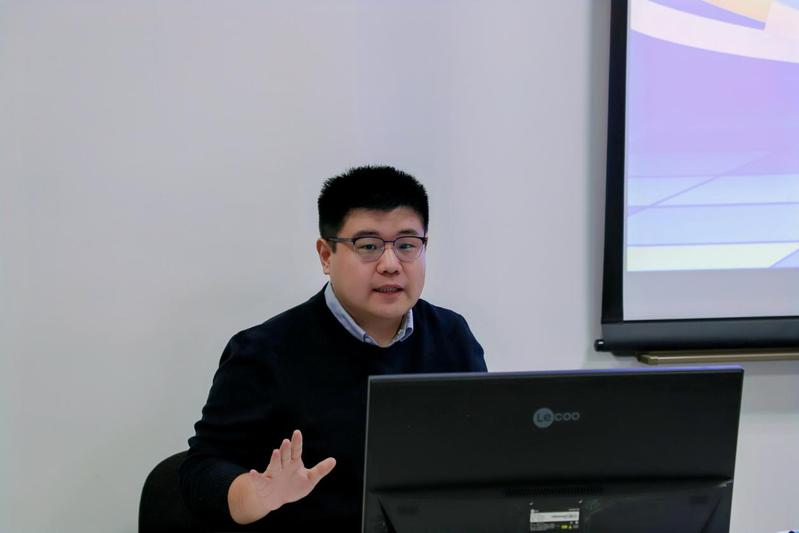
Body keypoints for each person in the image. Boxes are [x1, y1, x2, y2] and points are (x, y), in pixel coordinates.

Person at [179, 165, 487, 530]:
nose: (391, 265)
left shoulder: (452, 335)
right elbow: (201, 469)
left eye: (407, 246)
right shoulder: (264, 352)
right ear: (326, 255)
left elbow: (480, 453)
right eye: (368, 246)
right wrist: (256, 494)